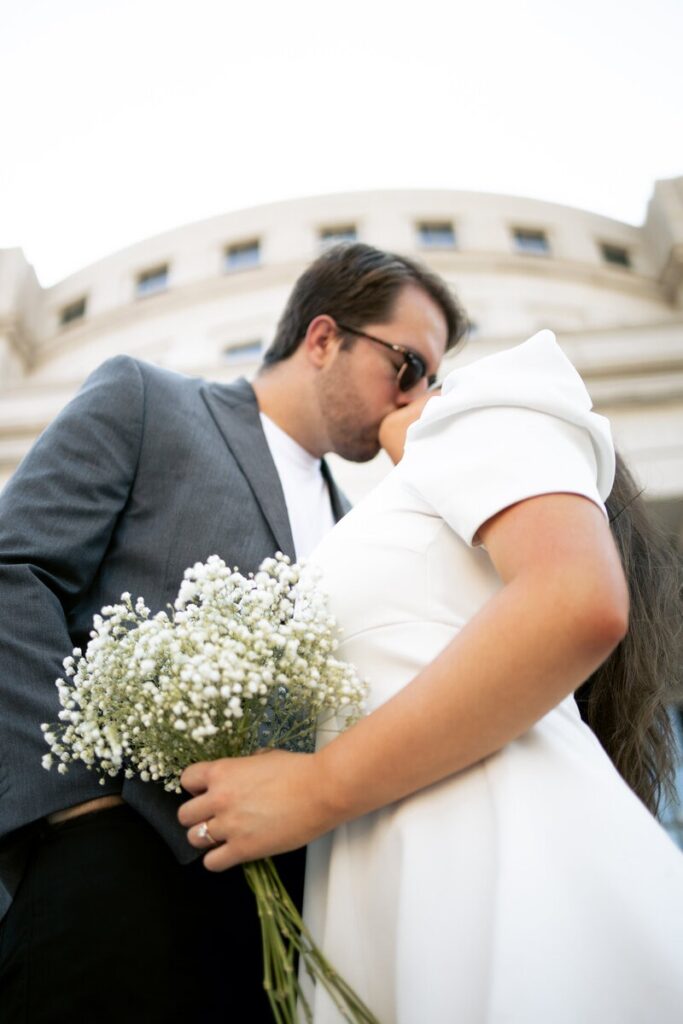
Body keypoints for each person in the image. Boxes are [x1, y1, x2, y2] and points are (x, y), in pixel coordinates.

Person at [0, 243, 467, 1023]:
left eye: (431, 381)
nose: (414, 396)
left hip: (285, 933)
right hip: (119, 875)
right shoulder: (146, 400)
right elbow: (16, 569)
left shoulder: (361, 527)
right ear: (323, 338)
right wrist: (75, 810)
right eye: (407, 365)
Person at [180, 330, 683, 1023]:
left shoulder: (484, 406)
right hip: (366, 890)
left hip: (499, 866)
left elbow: (574, 599)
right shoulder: (385, 516)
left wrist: (315, 788)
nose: (409, 383)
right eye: (403, 361)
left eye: (420, 370)